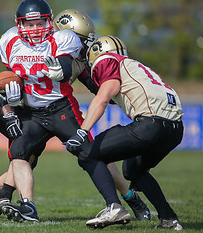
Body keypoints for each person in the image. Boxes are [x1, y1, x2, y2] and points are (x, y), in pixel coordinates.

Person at [0, 8, 150, 222]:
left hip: (61, 110)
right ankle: (11, 201)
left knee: (90, 152)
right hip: (30, 112)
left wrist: (114, 91)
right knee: (21, 156)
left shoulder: (72, 52)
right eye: (81, 39)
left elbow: (95, 86)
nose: (85, 45)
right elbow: (8, 85)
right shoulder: (16, 43)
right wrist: (11, 104)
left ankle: (129, 199)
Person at [65, 35, 184, 230]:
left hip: (150, 125)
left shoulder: (106, 61)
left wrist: (82, 131)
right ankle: (169, 219)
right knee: (133, 170)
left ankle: (114, 207)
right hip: (175, 129)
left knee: (88, 154)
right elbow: (114, 95)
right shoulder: (134, 66)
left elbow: (104, 97)